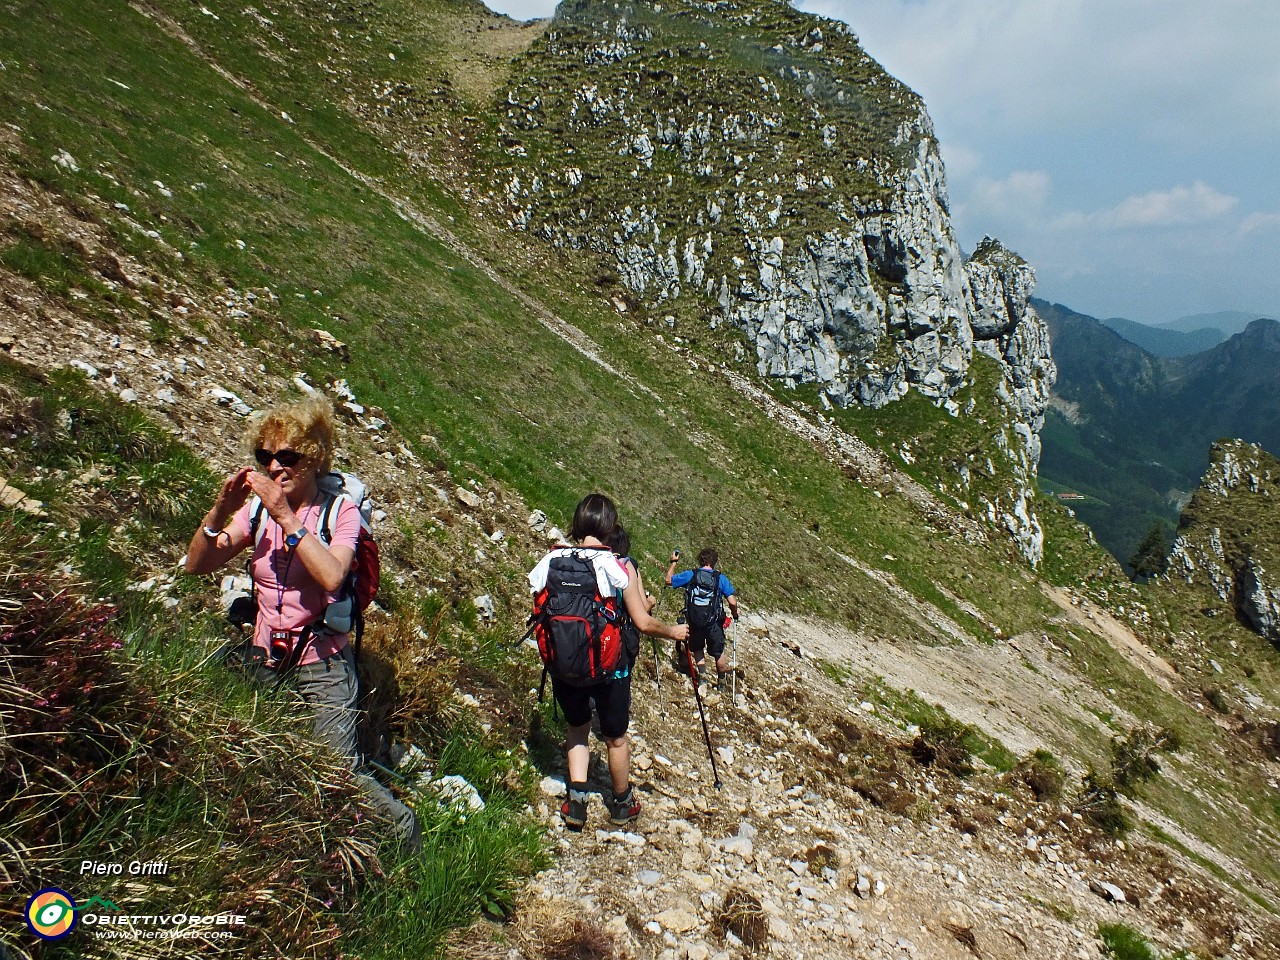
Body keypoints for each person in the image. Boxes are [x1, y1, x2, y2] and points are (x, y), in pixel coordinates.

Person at [185, 396, 419, 848]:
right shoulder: (255, 511)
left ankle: (403, 837)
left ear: (314, 459)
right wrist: (219, 510)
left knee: (337, 773)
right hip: (264, 656)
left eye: (287, 457)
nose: (274, 467)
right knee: (256, 759)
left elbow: (333, 575)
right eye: (264, 457)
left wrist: (286, 516)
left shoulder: (339, 513)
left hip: (322, 662)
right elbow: (196, 564)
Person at [528, 494, 687, 831]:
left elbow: (539, 609)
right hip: (609, 668)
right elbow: (643, 621)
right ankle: (621, 803)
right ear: (609, 527)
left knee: (577, 729)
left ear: (576, 525)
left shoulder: (551, 561)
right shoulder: (617, 565)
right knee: (615, 737)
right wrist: (672, 632)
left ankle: (576, 801)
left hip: (565, 665)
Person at [665, 546, 740, 684]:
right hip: (714, 623)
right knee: (718, 653)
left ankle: (703, 678)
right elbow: (732, 602)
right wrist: (735, 615)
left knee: (698, 648)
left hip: (695, 620)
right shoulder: (720, 578)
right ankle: (722, 683)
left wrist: (673, 562)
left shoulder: (691, 575)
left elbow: (668, 581)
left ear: (700, 560)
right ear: (714, 562)